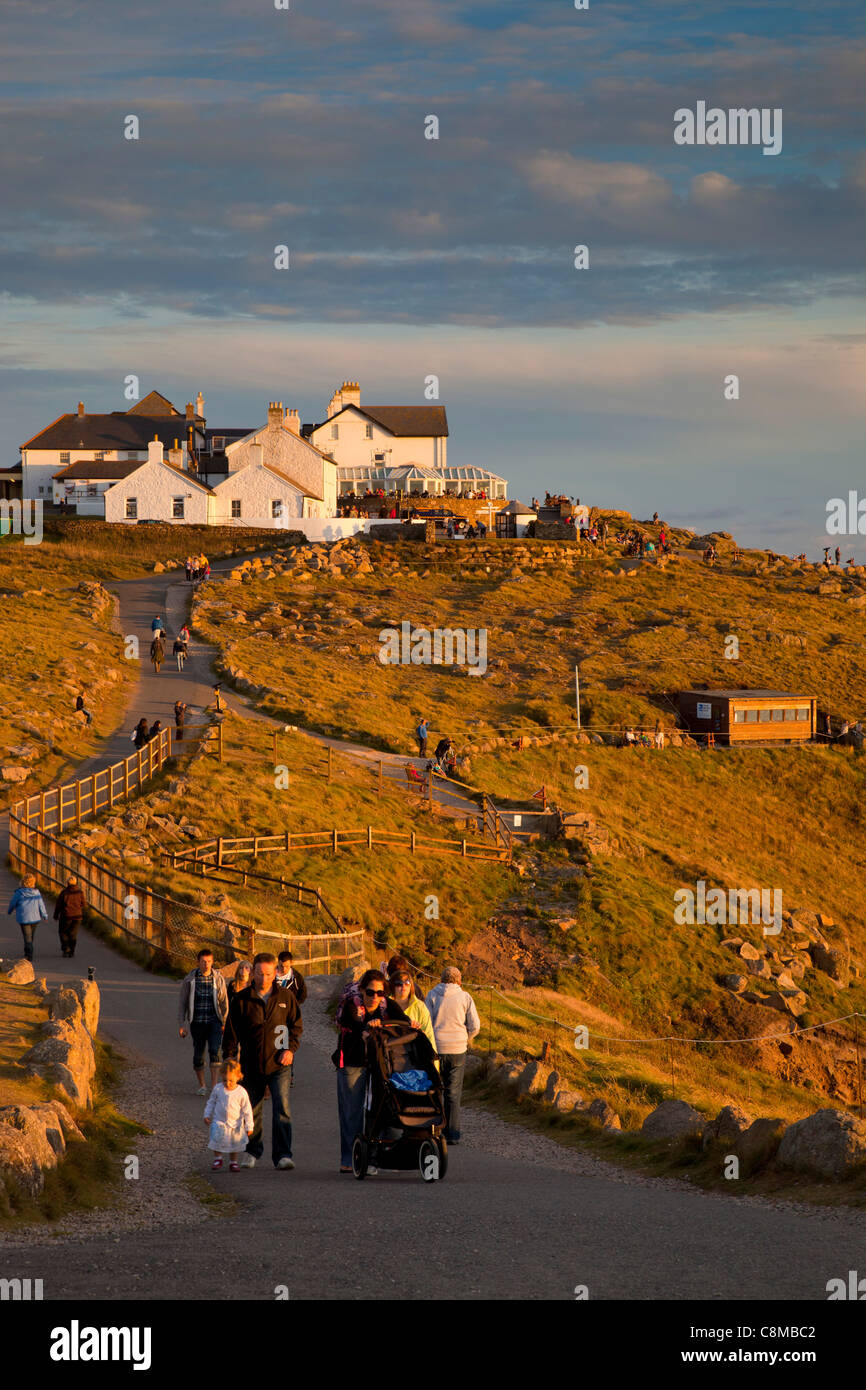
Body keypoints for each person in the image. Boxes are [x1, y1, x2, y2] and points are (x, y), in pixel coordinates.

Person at [222, 953, 302, 1170]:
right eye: (260, 973)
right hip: (250, 1063)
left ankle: (283, 1155)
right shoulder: (242, 999)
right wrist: (229, 1056)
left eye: (268, 973)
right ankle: (252, 1152)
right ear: (252, 972)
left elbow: (293, 1027)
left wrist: (289, 1049)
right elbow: (232, 1031)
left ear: (275, 972)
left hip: (279, 1063)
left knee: (282, 1108)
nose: (264, 978)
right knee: (251, 1110)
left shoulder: (285, 997)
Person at [332, 968, 407, 1174]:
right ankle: (349, 1158)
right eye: (370, 992)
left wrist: (410, 1025)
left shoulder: (387, 1005)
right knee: (351, 1112)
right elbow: (354, 1024)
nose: (375, 997)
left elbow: (404, 1022)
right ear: (362, 991)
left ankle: (372, 1156)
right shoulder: (352, 1005)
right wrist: (369, 1025)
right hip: (352, 1062)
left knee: (377, 1109)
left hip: (377, 1065)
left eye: (380, 993)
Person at [425, 967, 480, 1144]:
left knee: (435, 1091)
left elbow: (427, 1022)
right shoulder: (465, 997)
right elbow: (475, 1025)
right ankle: (452, 1134)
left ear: (441, 979)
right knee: (453, 1093)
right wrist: (465, 1038)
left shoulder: (432, 995)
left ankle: (435, 1130)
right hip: (457, 1049)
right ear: (459, 981)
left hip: (437, 1048)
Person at [178, 948, 230, 1095]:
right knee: (198, 1056)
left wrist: (225, 1021)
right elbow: (182, 1003)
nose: (206, 965)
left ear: (212, 962)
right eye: (203, 962)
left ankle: (214, 1086)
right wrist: (181, 1024)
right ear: (198, 962)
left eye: (209, 962)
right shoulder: (190, 979)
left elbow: (224, 1002)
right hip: (197, 1022)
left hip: (214, 1021)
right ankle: (202, 1085)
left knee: (215, 1051)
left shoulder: (218, 978)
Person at [203, 1059, 254, 1173]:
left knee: (234, 1143)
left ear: (238, 1076)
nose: (228, 1083)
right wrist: (207, 1114)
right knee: (217, 1140)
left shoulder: (241, 1092)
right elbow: (211, 1102)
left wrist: (249, 1125)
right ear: (221, 1075)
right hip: (219, 1121)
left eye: (231, 1080)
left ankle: (233, 1162)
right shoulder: (218, 1089)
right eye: (225, 1080)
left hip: (235, 1123)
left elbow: (247, 1109)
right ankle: (218, 1158)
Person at [387, 969, 437, 1062]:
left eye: (407, 982)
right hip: (390, 1059)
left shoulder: (420, 1007)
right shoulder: (384, 1006)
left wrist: (434, 1065)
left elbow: (429, 1036)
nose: (403, 986)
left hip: (414, 1060)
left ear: (411, 986)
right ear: (392, 986)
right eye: (398, 983)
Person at [7, 874, 48, 962]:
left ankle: (29, 954)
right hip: (35, 918)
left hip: (24, 917)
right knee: (30, 936)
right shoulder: (37, 893)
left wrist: (9, 911)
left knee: (27, 936)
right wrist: (44, 915)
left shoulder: (19, 893)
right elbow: (41, 905)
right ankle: (28, 950)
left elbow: (12, 903)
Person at [53, 875, 85, 958]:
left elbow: (58, 905)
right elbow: (84, 904)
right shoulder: (80, 892)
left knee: (63, 932)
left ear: (67, 883)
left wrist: (56, 915)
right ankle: (72, 950)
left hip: (66, 915)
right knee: (73, 933)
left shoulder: (64, 892)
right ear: (76, 883)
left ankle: (65, 949)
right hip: (77, 916)